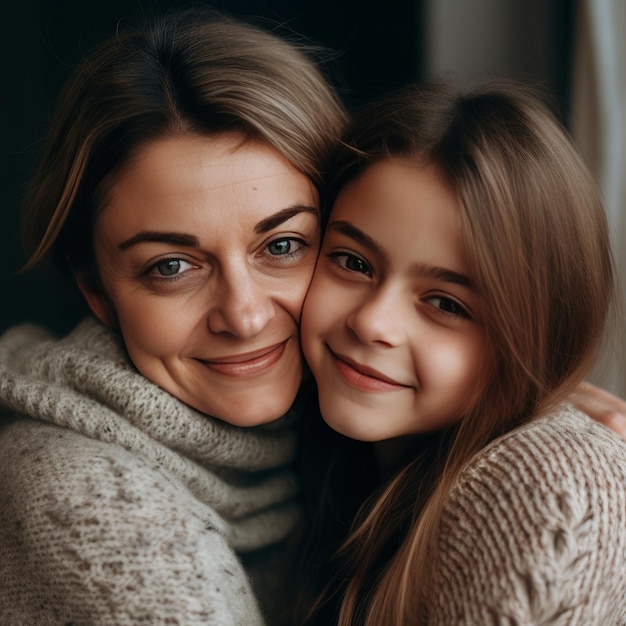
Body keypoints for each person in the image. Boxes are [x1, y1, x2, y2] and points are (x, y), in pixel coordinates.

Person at [0, 7, 346, 625]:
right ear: (95, 289)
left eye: (283, 246)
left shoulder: (326, 437)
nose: (242, 316)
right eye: (171, 267)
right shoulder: (91, 501)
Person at [298, 82, 626, 625]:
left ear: (532, 339)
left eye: (446, 303)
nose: (373, 322)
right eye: (353, 262)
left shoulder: (548, 486)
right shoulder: (330, 462)